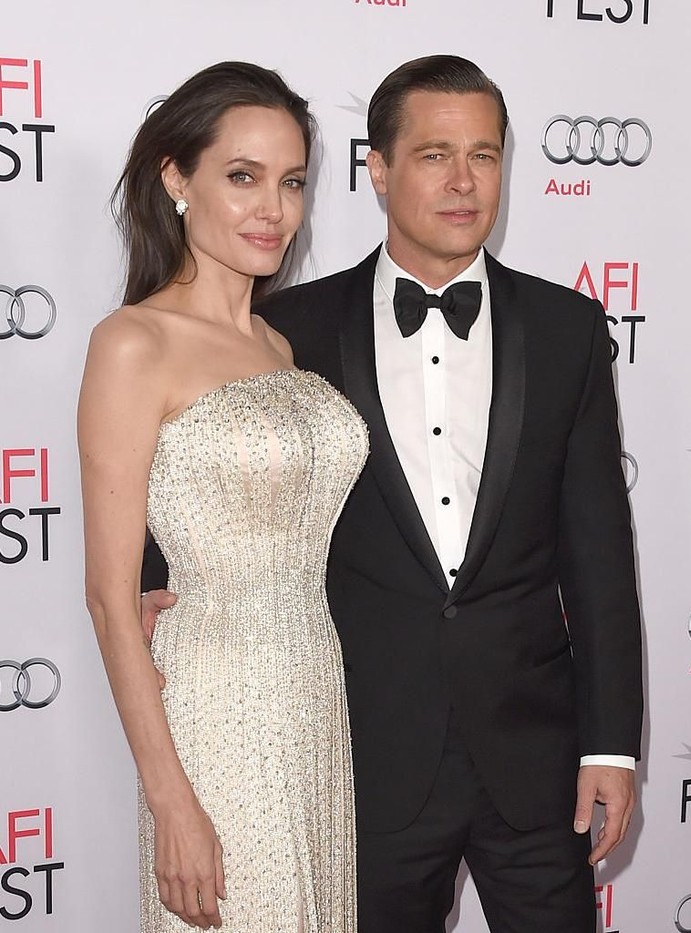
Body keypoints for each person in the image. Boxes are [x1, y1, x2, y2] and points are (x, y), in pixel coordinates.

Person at [143, 55, 643, 933]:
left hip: (537, 763)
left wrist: (610, 743)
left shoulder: (568, 329)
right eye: (434, 155)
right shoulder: (286, 329)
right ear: (376, 169)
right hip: (361, 752)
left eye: (484, 156)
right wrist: (160, 575)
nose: (463, 182)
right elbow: (205, 460)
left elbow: (599, 552)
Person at [79, 61, 366, 933]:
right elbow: (107, 593)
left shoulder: (281, 346)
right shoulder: (135, 342)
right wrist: (171, 802)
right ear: (177, 178)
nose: (272, 209)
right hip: (213, 710)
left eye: (291, 182)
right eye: (241, 177)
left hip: (314, 695)